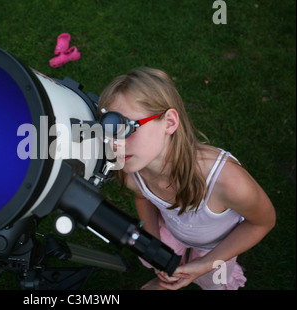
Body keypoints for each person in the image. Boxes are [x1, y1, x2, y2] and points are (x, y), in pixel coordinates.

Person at [97, 67, 276, 290]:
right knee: (154, 259)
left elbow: (262, 221)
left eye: (126, 128)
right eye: (108, 129)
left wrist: (204, 265)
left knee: (214, 282)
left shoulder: (227, 182)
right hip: (173, 229)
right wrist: (153, 246)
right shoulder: (132, 173)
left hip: (216, 245)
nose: (114, 144)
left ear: (169, 123)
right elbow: (143, 199)